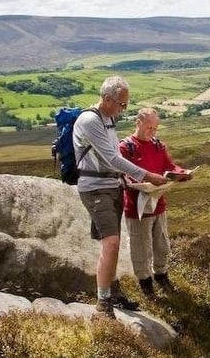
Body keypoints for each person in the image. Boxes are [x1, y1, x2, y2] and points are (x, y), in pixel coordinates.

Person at [74, 76, 168, 318]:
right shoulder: (90, 120)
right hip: (96, 188)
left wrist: (128, 181)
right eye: (121, 104)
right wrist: (148, 175)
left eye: (126, 105)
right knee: (112, 243)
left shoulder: (108, 120)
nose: (123, 110)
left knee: (111, 243)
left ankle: (113, 292)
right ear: (106, 99)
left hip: (112, 184)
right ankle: (103, 303)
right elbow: (112, 158)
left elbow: (113, 158)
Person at [120, 107, 192, 296]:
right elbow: (124, 177)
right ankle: (145, 283)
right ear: (138, 123)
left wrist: (182, 174)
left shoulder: (158, 145)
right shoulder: (125, 147)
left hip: (158, 204)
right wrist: (143, 182)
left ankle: (161, 275)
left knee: (162, 245)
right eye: (149, 127)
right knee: (141, 247)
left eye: (155, 128)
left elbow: (170, 166)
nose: (152, 132)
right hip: (137, 208)